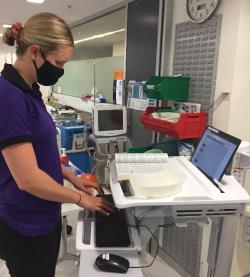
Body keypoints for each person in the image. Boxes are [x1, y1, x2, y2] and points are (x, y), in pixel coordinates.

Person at [0, 13, 113, 277]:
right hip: (24, 225)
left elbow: (39, 156)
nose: (60, 70)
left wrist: (73, 178)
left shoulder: (30, 89)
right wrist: (81, 199)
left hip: (44, 214)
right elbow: (28, 179)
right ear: (35, 52)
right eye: (58, 62)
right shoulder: (8, 96)